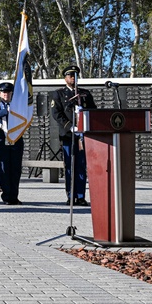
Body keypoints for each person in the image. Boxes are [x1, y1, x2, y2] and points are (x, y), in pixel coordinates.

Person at [50, 64, 96, 206]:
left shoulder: (85, 94)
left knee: (81, 165)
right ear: (65, 78)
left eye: (75, 76)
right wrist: (70, 127)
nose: (73, 78)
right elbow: (56, 113)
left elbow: (93, 111)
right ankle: (71, 195)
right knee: (70, 166)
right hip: (68, 135)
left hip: (82, 136)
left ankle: (80, 196)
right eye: (70, 76)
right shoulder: (59, 94)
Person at [0, 81, 24, 205]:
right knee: (4, 170)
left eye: (9, 92)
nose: (6, 95)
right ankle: (6, 196)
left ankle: (14, 196)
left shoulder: (18, 106)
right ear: (0, 94)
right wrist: (10, 109)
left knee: (15, 170)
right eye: (4, 92)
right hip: (1, 142)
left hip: (15, 141)